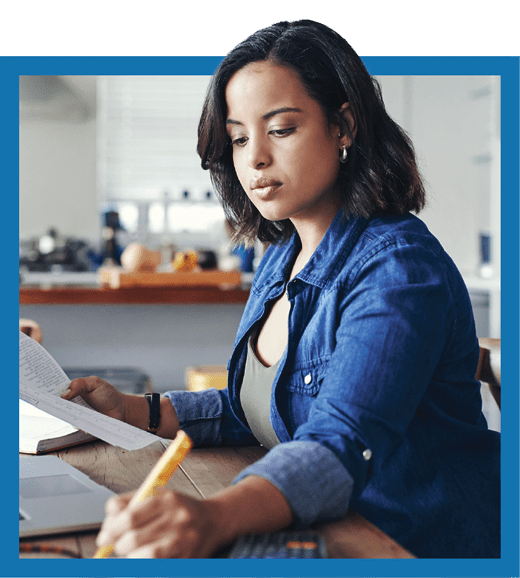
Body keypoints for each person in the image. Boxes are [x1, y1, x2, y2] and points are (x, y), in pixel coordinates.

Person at [62, 19, 500, 558]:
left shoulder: (398, 270)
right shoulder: (280, 257)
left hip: (409, 543)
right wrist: (135, 411)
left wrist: (212, 515)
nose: (255, 158)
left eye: (282, 129)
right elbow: (257, 406)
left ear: (344, 126)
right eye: (240, 137)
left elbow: (338, 442)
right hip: (324, 529)